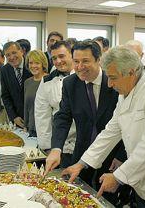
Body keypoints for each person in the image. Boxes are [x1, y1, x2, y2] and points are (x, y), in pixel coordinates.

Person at [62, 46, 145, 208]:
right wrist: (82, 163)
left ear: (131, 72)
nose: (110, 84)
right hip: (139, 181)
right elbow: (111, 131)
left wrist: (118, 177)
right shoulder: (126, 92)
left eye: (113, 78)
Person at [45, 40, 126, 205]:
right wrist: (56, 148)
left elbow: (126, 122)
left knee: (107, 201)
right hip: (82, 152)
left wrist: (121, 155)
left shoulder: (114, 82)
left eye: (85, 61)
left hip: (113, 156)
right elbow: (63, 117)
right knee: (79, 198)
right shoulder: (70, 83)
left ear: (99, 60)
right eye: (76, 61)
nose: (80, 66)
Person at [35, 41, 76, 167]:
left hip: (83, 143)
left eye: (61, 56)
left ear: (71, 55)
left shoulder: (84, 77)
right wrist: (47, 147)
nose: (58, 61)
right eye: (54, 58)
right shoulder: (47, 81)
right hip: (59, 144)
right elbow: (42, 115)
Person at [0, 41, 32, 128]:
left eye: (14, 53)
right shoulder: (4, 70)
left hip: (34, 118)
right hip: (17, 120)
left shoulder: (32, 65)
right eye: (8, 55)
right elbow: (5, 96)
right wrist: (14, 117)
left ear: (21, 51)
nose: (11, 57)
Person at [24, 50, 48, 137]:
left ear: (43, 64)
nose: (33, 66)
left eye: (37, 63)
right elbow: (26, 107)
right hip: (31, 128)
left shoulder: (49, 80)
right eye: (31, 63)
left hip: (46, 129)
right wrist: (25, 125)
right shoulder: (27, 82)